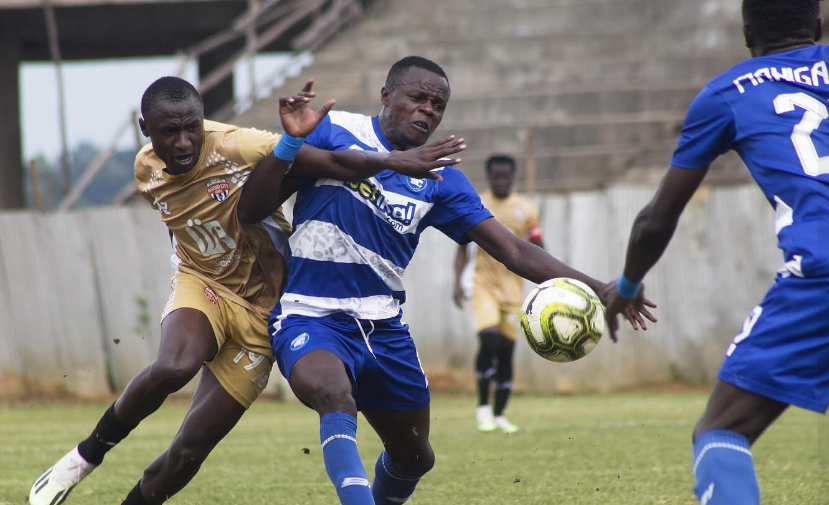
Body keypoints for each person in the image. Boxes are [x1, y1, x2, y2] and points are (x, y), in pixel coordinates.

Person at [28, 76, 466, 505]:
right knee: (175, 365)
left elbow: (330, 163)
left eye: (191, 129)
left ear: (204, 122)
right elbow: (183, 217)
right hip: (205, 284)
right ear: (145, 131)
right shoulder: (145, 168)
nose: (182, 143)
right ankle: (84, 458)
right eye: (168, 133)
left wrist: (394, 161)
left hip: (264, 312)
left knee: (188, 451)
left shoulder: (237, 144)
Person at [245, 56, 654, 505]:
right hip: (310, 314)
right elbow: (251, 208)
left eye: (438, 104)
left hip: (382, 327)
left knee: (414, 458)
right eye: (417, 98)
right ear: (387, 95)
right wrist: (290, 143)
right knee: (333, 394)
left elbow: (513, 249)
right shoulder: (332, 128)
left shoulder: (441, 178)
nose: (428, 110)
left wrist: (602, 286)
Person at [603, 1, 829, 504]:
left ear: (746, 32)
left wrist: (627, 285)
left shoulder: (728, 93)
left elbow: (655, 219)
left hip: (821, 272)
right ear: (818, 25)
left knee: (721, 429)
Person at [452, 154, 544, 434]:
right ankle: (482, 407)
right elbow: (460, 247)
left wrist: (548, 281)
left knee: (506, 351)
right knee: (489, 339)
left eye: (506, 177)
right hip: (483, 285)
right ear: (490, 176)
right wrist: (457, 282)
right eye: (497, 177)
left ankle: (500, 413)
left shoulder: (525, 209)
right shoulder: (478, 203)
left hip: (514, 290)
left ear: (512, 177)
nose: (501, 181)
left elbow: (539, 245)